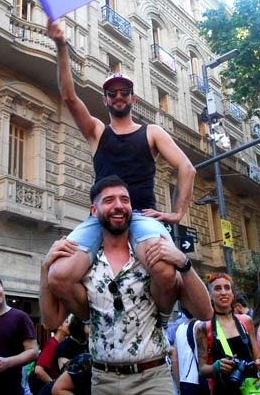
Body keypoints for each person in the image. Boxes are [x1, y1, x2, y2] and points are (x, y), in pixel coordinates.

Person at [46, 20, 198, 320]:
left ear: (133, 99)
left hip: (141, 215)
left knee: (165, 270)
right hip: (100, 219)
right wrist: (62, 45)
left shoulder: (152, 132)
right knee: (58, 275)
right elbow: (69, 96)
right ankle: (91, 319)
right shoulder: (97, 132)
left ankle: (162, 312)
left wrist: (176, 214)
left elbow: (187, 168)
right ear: (105, 99)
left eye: (124, 91)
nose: (118, 96)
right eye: (112, 92)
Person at [41, 176, 211, 394]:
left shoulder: (153, 259)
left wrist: (183, 263)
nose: (119, 206)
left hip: (153, 379)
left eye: (125, 200)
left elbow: (205, 313)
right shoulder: (82, 266)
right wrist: (44, 268)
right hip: (103, 381)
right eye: (109, 200)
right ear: (95, 211)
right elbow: (50, 321)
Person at [195, 273, 260, 395]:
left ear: (232, 295)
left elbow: (257, 357)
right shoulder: (203, 327)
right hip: (224, 390)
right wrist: (216, 367)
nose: (223, 292)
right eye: (217, 288)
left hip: (252, 389)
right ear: (210, 295)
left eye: (227, 288)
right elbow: (202, 370)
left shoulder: (246, 321)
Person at [171, 306, 207, 395]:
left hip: (184, 381)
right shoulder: (202, 326)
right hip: (201, 381)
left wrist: (179, 383)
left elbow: (174, 358)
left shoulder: (179, 328)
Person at [30, 316, 71, 394]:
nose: (69, 325)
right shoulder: (52, 345)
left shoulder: (61, 345)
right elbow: (38, 370)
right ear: (59, 326)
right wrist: (54, 386)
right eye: (66, 322)